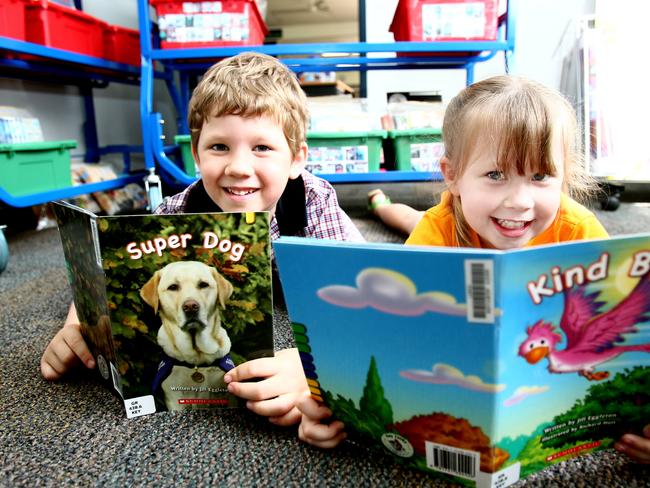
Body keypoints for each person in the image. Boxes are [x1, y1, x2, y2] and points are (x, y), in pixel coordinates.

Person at [297, 75, 650, 464]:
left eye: (540, 176)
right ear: (452, 174)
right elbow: (382, 335)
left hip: (474, 218)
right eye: (496, 175)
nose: (519, 201)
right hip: (451, 222)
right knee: (407, 219)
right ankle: (380, 204)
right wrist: (326, 402)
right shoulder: (439, 227)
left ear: (563, 175)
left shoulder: (579, 230)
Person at [40, 52, 363, 428]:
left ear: (295, 159)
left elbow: (361, 291)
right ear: (196, 154)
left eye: (262, 147)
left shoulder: (314, 200)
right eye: (219, 147)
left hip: (297, 282)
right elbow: (100, 276)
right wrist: (75, 324)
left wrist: (309, 367)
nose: (238, 167)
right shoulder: (175, 213)